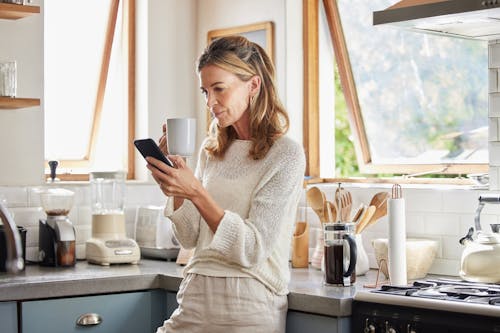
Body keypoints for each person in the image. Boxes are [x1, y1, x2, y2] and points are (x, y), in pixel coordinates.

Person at [147, 35, 305, 333]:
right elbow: (190, 237)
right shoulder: (213, 150)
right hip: (195, 295)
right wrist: (176, 187)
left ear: (253, 85)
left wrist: (196, 191)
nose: (210, 102)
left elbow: (252, 249)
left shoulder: (285, 155)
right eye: (205, 91)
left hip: (248, 303)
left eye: (219, 89)